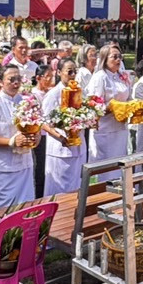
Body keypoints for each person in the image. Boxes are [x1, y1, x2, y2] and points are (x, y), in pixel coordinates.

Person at [0, 64, 35, 213]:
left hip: (23, 166)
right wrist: (11, 142)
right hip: (1, 168)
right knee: (0, 213)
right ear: (0, 82)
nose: (16, 83)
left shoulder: (26, 102)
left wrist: (34, 139)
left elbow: (36, 127)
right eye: (11, 79)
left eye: (18, 79)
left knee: (23, 209)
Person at [41, 57, 86, 196]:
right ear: (59, 72)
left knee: (76, 186)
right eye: (69, 72)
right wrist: (61, 137)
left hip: (78, 147)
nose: (73, 75)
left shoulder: (79, 92)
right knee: (58, 188)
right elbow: (44, 122)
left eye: (75, 72)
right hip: (59, 150)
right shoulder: (53, 94)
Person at [86, 44, 133, 177]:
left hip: (120, 127)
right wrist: (113, 107)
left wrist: (129, 107)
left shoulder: (122, 76)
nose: (118, 60)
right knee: (105, 166)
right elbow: (94, 105)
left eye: (120, 57)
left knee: (118, 163)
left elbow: (128, 97)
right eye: (114, 57)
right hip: (105, 128)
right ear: (105, 59)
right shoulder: (100, 77)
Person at [31, 60, 58, 196]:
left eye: (52, 76)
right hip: (40, 136)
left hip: (51, 135)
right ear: (38, 78)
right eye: (47, 76)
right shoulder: (33, 95)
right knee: (40, 169)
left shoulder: (52, 92)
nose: (50, 79)